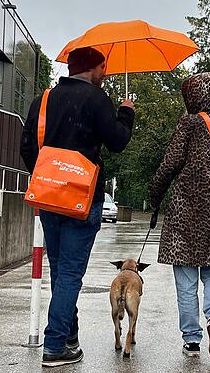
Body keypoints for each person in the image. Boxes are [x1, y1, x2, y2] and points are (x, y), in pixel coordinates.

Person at [20, 46, 135, 367]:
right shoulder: (97, 100)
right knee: (70, 273)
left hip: (49, 198)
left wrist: (47, 177)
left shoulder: (43, 99)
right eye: (104, 67)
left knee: (60, 271)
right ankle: (55, 346)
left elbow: (27, 146)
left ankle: (69, 336)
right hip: (83, 199)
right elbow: (117, 141)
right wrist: (126, 112)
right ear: (93, 69)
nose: (106, 73)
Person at [149, 72, 210, 360]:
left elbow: (170, 163)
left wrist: (155, 194)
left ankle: (192, 340)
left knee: (186, 283)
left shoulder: (189, 123)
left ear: (193, 95)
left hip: (184, 213)